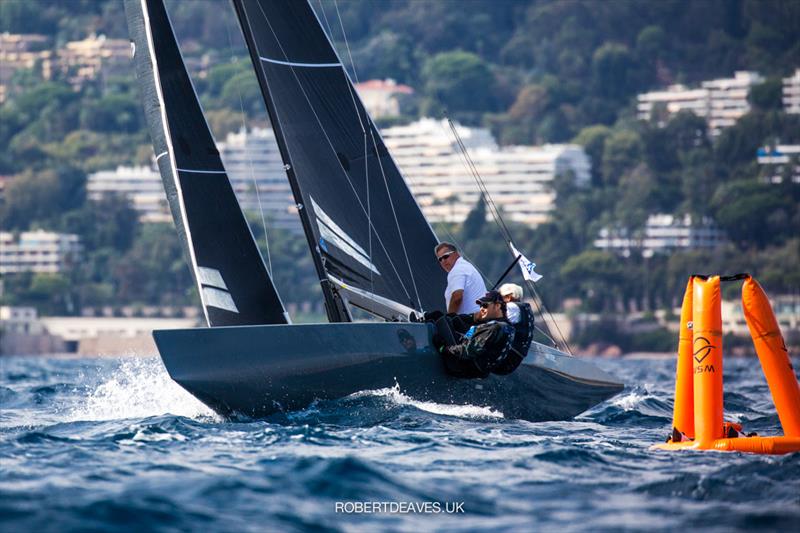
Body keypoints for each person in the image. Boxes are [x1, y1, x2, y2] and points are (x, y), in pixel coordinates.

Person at [435, 290, 516, 378]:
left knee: (439, 317)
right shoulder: (508, 326)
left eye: (485, 305)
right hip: (479, 370)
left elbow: (468, 351)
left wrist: (444, 348)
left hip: (462, 367)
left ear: (497, 306)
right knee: (454, 318)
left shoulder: (493, 328)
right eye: (481, 305)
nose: (481, 308)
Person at [435, 242, 486, 315]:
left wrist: (450, 318)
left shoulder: (456, 270)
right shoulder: (466, 266)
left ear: (456, 254)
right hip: (481, 317)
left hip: (470, 321)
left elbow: (457, 297)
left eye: (445, 256)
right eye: (440, 259)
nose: (443, 261)